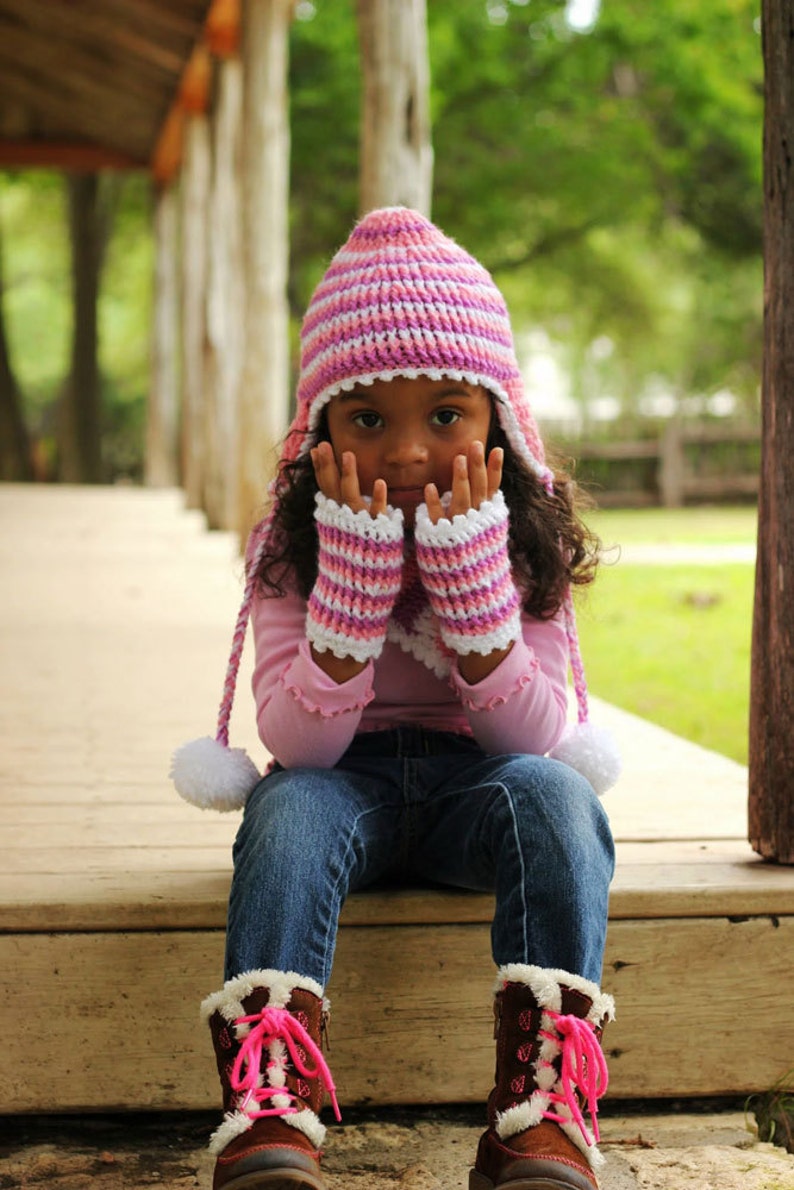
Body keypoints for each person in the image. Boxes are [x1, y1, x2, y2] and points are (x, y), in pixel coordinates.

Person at [173, 207, 621, 1190]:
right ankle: (270, 1101)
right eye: (368, 417)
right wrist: (350, 589)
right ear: (320, 426)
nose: (408, 451)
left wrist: (473, 593)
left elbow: (533, 732)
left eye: (445, 414)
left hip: (483, 783)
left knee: (560, 800)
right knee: (283, 808)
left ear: (495, 415)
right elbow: (297, 742)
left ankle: (540, 1110)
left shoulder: (522, 539)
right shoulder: (293, 549)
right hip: (344, 790)